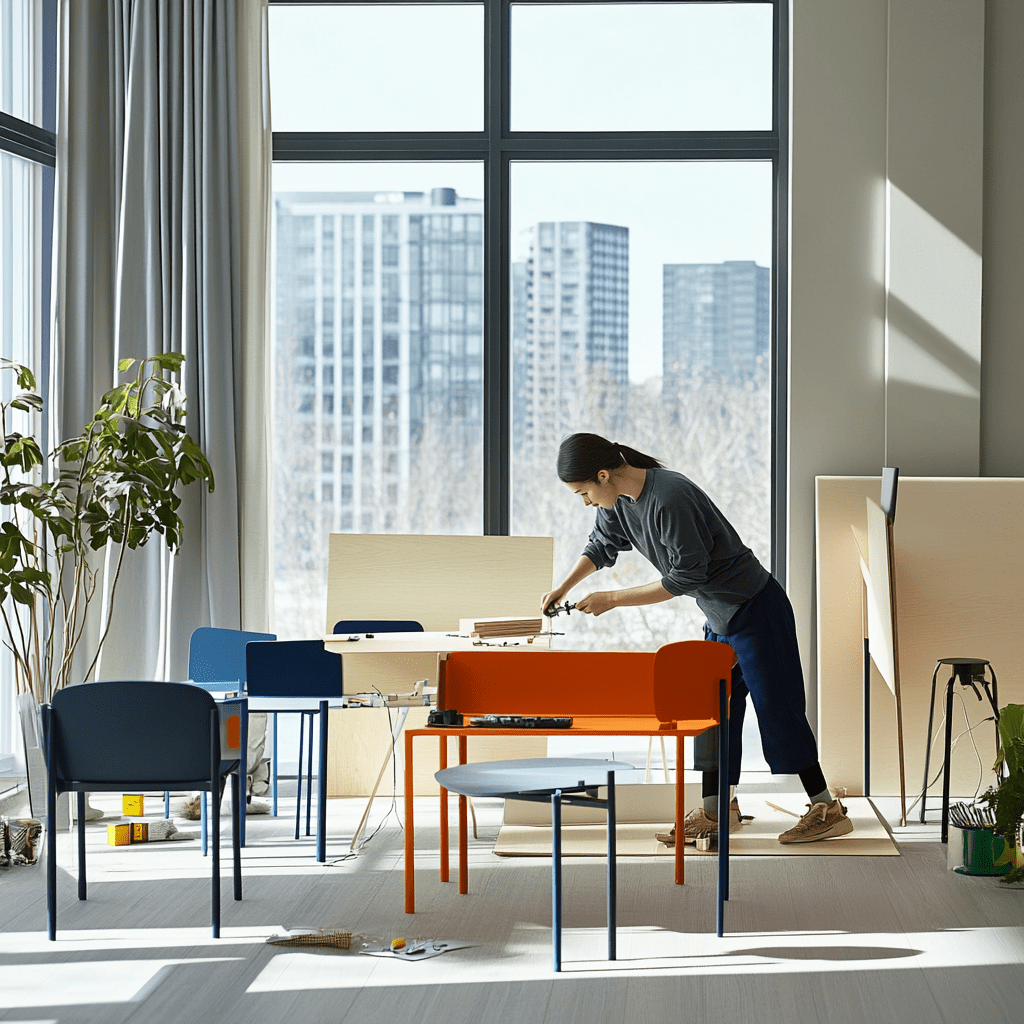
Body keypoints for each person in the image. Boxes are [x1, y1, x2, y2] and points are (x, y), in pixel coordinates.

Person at [540, 432, 852, 845]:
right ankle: (718, 810)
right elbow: (601, 545)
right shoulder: (620, 502)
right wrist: (564, 587)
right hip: (719, 617)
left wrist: (612, 599)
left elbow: (686, 577)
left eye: (584, 493)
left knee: (779, 711)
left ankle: (827, 808)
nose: (585, 502)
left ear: (603, 475)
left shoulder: (670, 497)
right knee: (713, 713)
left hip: (756, 609)